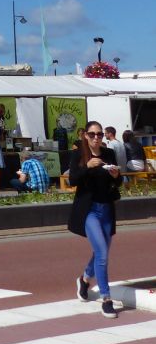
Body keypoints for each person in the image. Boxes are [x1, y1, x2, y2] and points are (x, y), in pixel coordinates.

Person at [69, 120, 121, 318]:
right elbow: (72, 179)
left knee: (102, 251)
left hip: (106, 208)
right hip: (88, 210)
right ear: (85, 136)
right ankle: (106, 299)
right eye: (92, 134)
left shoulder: (108, 153)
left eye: (99, 134)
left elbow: (118, 181)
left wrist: (116, 175)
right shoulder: (78, 155)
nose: (96, 138)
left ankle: (84, 279)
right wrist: (88, 167)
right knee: (102, 252)